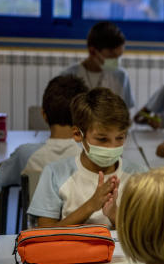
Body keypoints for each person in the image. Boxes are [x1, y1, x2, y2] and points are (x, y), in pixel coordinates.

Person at [28, 88, 144, 228]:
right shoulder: (55, 174)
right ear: (78, 134)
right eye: (102, 139)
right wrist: (91, 206)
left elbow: (146, 235)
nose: (112, 147)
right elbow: (43, 233)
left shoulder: (139, 176)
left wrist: (114, 215)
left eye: (120, 138)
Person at [0, 75, 87, 193]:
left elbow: (2, 178)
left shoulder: (25, 154)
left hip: (37, 211)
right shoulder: (89, 156)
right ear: (84, 116)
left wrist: (2, 166)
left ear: (44, 115)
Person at [59, 21, 134, 109]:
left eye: (119, 56)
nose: (116, 62)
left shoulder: (121, 76)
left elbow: (125, 115)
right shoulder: (69, 77)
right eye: (111, 57)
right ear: (93, 51)